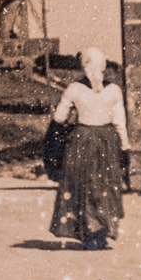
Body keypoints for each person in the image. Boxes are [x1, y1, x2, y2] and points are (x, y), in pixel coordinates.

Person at [48, 47, 128, 249]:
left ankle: (87, 231)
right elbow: (120, 123)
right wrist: (125, 146)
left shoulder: (74, 89)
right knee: (105, 186)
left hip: (81, 139)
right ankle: (101, 230)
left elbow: (59, 118)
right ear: (103, 66)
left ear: (84, 66)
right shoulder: (114, 90)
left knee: (82, 185)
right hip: (107, 140)